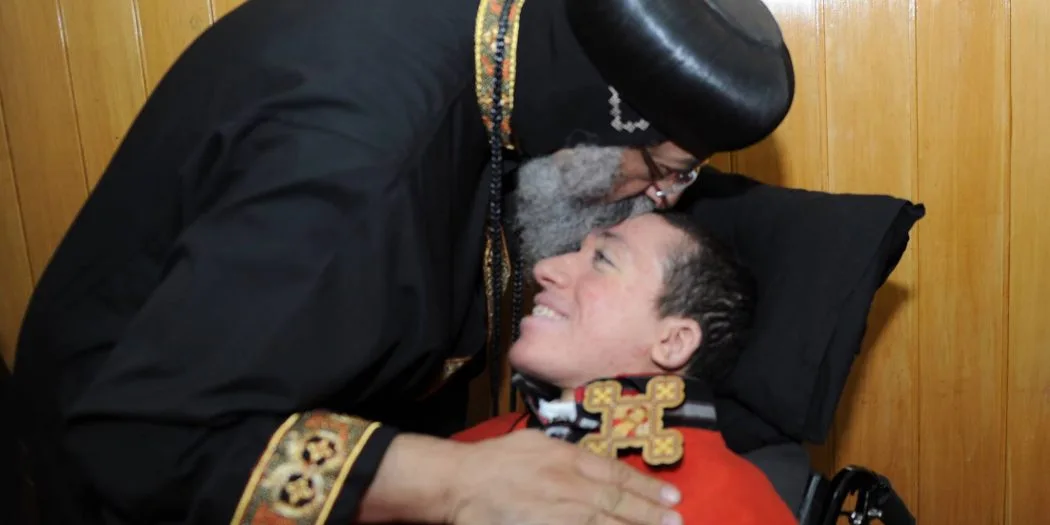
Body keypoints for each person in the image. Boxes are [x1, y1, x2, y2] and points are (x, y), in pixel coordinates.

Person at [10, 0, 794, 524]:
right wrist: (457, 480)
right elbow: (144, 439)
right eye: (663, 171)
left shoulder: (500, 52)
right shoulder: (359, 165)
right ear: (604, 115)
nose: (655, 198)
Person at [454, 211, 798, 524]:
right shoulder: (476, 449)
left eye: (603, 259)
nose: (544, 269)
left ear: (673, 342)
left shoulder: (734, 507)